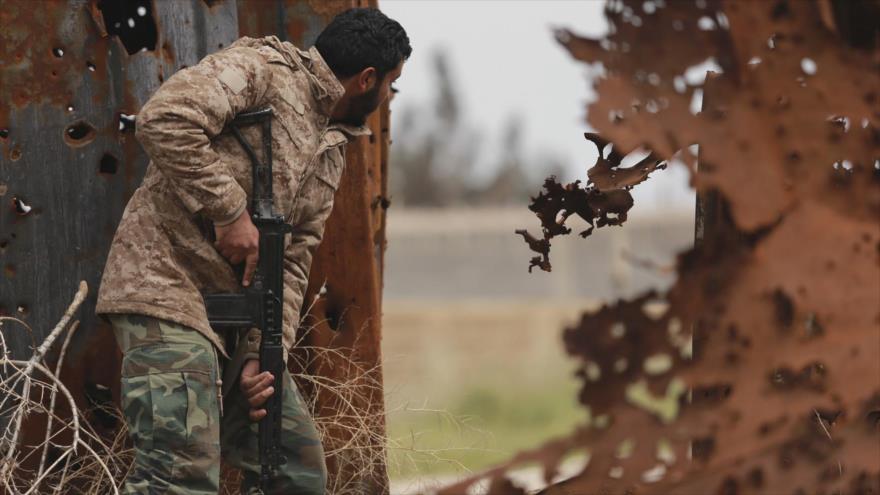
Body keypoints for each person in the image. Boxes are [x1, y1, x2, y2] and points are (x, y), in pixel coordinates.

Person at [95, 8, 410, 494]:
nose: (390, 97)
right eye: (392, 84)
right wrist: (229, 211)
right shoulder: (261, 71)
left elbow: (292, 259)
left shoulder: (332, 144)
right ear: (367, 78)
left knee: (298, 470)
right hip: (164, 288)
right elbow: (163, 119)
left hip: (238, 320)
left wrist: (263, 353)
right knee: (180, 475)